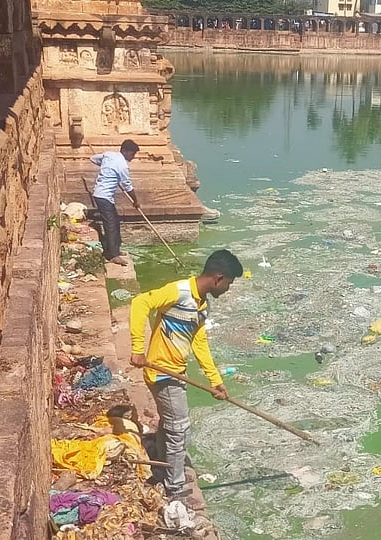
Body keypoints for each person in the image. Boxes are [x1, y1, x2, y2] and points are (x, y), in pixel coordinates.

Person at [129, 249, 243, 502]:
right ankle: (175, 486)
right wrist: (138, 348)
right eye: (229, 284)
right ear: (218, 278)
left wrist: (215, 381)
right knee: (179, 430)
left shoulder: (201, 305)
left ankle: (161, 466)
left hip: (176, 373)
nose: (228, 289)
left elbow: (199, 343)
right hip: (161, 372)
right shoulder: (178, 291)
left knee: (170, 425)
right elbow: (140, 303)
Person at [90, 139, 140, 265]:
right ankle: (113, 255)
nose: (133, 157)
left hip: (103, 196)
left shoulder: (108, 155)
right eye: (132, 154)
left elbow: (93, 158)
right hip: (103, 196)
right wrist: (136, 201)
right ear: (125, 151)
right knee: (110, 225)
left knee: (115, 222)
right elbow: (128, 186)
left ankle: (115, 249)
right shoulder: (122, 165)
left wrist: (107, 169)